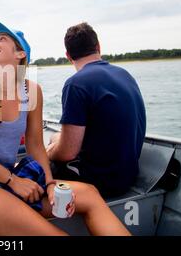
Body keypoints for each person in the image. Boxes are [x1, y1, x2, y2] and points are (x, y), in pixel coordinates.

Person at [0, 19, 130, 235]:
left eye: (1, 39)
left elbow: (35, 145)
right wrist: (12, 180)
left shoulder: (32, 92)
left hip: (6, 182)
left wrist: (49, 183)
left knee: (89, 194)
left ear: (20, 54)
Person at [46, 22, 146, 198]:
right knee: (55, 137)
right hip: (129, 176)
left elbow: (68, 152)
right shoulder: (125, 74)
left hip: (101, 182)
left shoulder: (75, 84)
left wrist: (49, 152)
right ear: (98, 46)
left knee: (38, 166)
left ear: (68, 55)